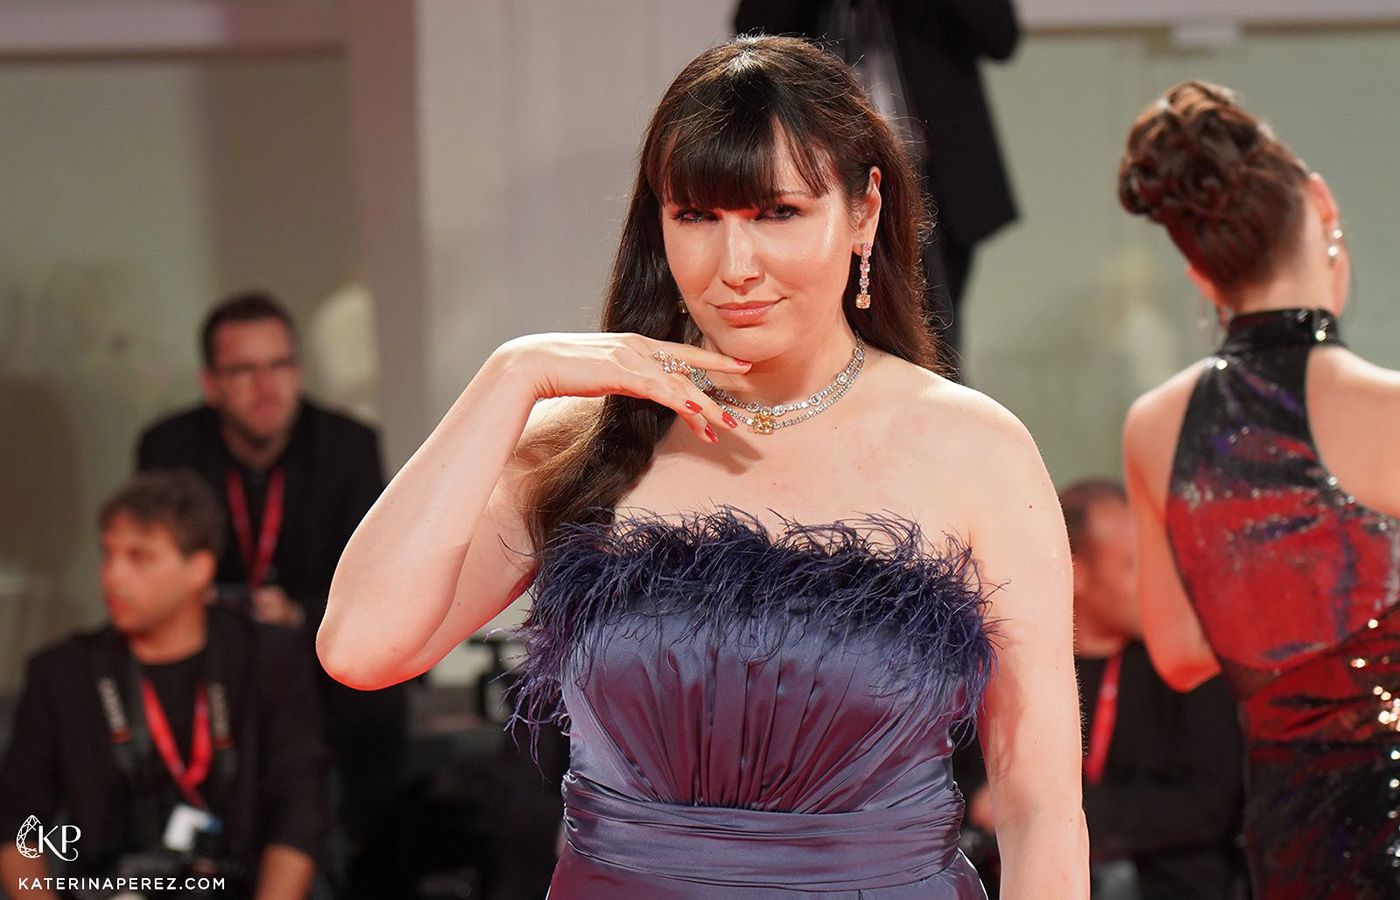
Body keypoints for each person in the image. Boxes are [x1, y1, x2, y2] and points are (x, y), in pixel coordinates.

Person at [319, 35, 1086, 898]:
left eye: (776, 214)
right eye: (697, 217)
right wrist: (510, 378)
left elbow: (1039, 804)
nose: (735, 269)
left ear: (864, 212)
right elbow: (359, 648)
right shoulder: (587, 442)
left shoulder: (973, 450)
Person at [1119, 81, 1400, 899]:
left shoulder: (1154, 423)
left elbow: (1176, 653)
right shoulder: (1387, 408)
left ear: (1200, 274)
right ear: (1322, 203)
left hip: (1288, 836)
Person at [135, 293, 407, 896]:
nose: (267, 387)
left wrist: (299, 613)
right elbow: (154, 575)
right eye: (244, 371)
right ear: (211, 384)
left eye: (281, 365)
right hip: (208, 671)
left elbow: (379, 580)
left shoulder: (346, 446)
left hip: (319, 674)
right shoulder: (170, 449)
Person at [0, 471, 328, 899]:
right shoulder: (63, 672)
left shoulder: (265, 658)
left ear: (199, 569)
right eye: (108, 555)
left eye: (140, 557)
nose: (114, 576)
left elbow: (301, 811)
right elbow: (17, 822)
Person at [733, 0, 1022, 375]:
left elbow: (1000, 36)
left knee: (933, 331)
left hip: (935, 176)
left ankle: (935, 423)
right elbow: (752, 32)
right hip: (819, 172)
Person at [1060, 479, 1245, 899]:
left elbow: (1210, 801)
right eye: (1132, 566)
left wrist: (1066, 817)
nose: (1155, 584)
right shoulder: (1018, 664)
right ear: (1077, 573)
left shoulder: (1190, 664)